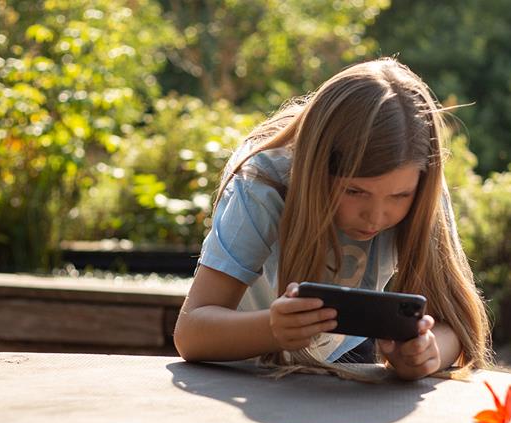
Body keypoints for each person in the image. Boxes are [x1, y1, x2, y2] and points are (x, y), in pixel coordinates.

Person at [173, 58, 492, 380]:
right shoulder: (264, 180)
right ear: (314, 171)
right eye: (355, 191)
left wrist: (427, 353)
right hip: (238, 357)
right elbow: (191, 334)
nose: (376, 216)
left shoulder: (422, 187)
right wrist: (272, 327)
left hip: (344, 349)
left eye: (399, 196)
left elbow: (455, 325)